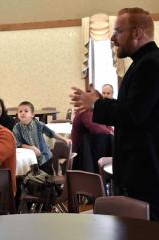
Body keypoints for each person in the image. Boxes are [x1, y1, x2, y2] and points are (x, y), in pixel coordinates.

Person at [70, 8, 159, 220]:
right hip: (142, 169)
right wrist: (102, 102)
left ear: (137, 33)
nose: (112, 38)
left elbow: (134, 114)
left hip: (145, 172)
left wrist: (98, 104)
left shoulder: (150, 64)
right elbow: (137, 108)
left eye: (118, 31)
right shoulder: (143, 63)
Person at [13, 101, 71, 175]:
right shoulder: (16, 128)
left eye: (26, 111)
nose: (22, 113)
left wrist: (64, 139)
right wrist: (31, 148)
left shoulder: (38, 124)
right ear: (17, 115)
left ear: (32, 115)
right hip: (30, 159)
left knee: (47, 177)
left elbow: (51, 133)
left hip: (44, 157)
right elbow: (17, 143)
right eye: (20, 111)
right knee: (34, 178)